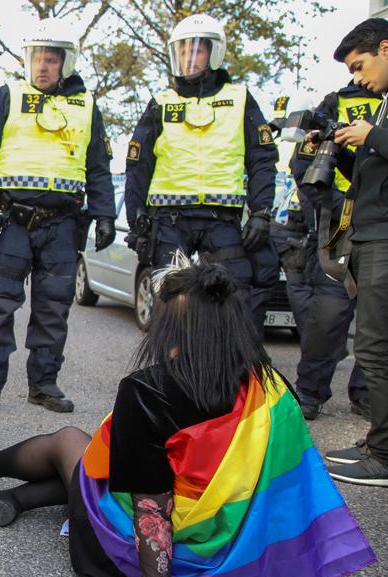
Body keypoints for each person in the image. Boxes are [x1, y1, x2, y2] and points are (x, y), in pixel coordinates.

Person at [0, 258, 376, 577]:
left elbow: (151, 511)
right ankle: (12, 499)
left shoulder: (147, 391)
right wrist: (314, 565)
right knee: (104, 458)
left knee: (73, 443)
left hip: (174, 559)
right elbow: (292, 484)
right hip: (237, 553)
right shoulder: (271, 387)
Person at [0, 18, 116, 415]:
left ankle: (44, 384)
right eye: (37, 58)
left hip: (63, 225)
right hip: (12, 221)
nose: (43, 66)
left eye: (51, 59)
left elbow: (98, 165)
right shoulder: (8, 96)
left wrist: (105, 215)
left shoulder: (87, 107)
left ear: (66, 62)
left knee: (54, 307)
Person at [123, 14, 279, 336]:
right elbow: (137, 167)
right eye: (182, 51)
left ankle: (231, 379)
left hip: (222, 222)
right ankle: (171, 378)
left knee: (236, 304)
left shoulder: (240, 99)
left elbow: (262, 159)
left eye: (197, 50)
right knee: (169, 310)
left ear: (215, 54)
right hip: (169, 223)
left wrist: (261, 213)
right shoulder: (160, 104)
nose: (189, 58)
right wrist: (137, 219)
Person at [321, 19, 388, 488]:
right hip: (373, 232)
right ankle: (383, 442)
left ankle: (387, 459)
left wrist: (373, 138)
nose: (357, 78)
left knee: (375, 348)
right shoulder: (387, 101)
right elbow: (381, 170)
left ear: (387, 49)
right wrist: (346, 150)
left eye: (360, 66)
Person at [286, 82, 379, 420]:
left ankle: (366, 393)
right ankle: (310, 392)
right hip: (342, 220)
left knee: (380, 312)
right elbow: (304, 167)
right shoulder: (336, 102)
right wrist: (333, 209)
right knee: (329, 310)